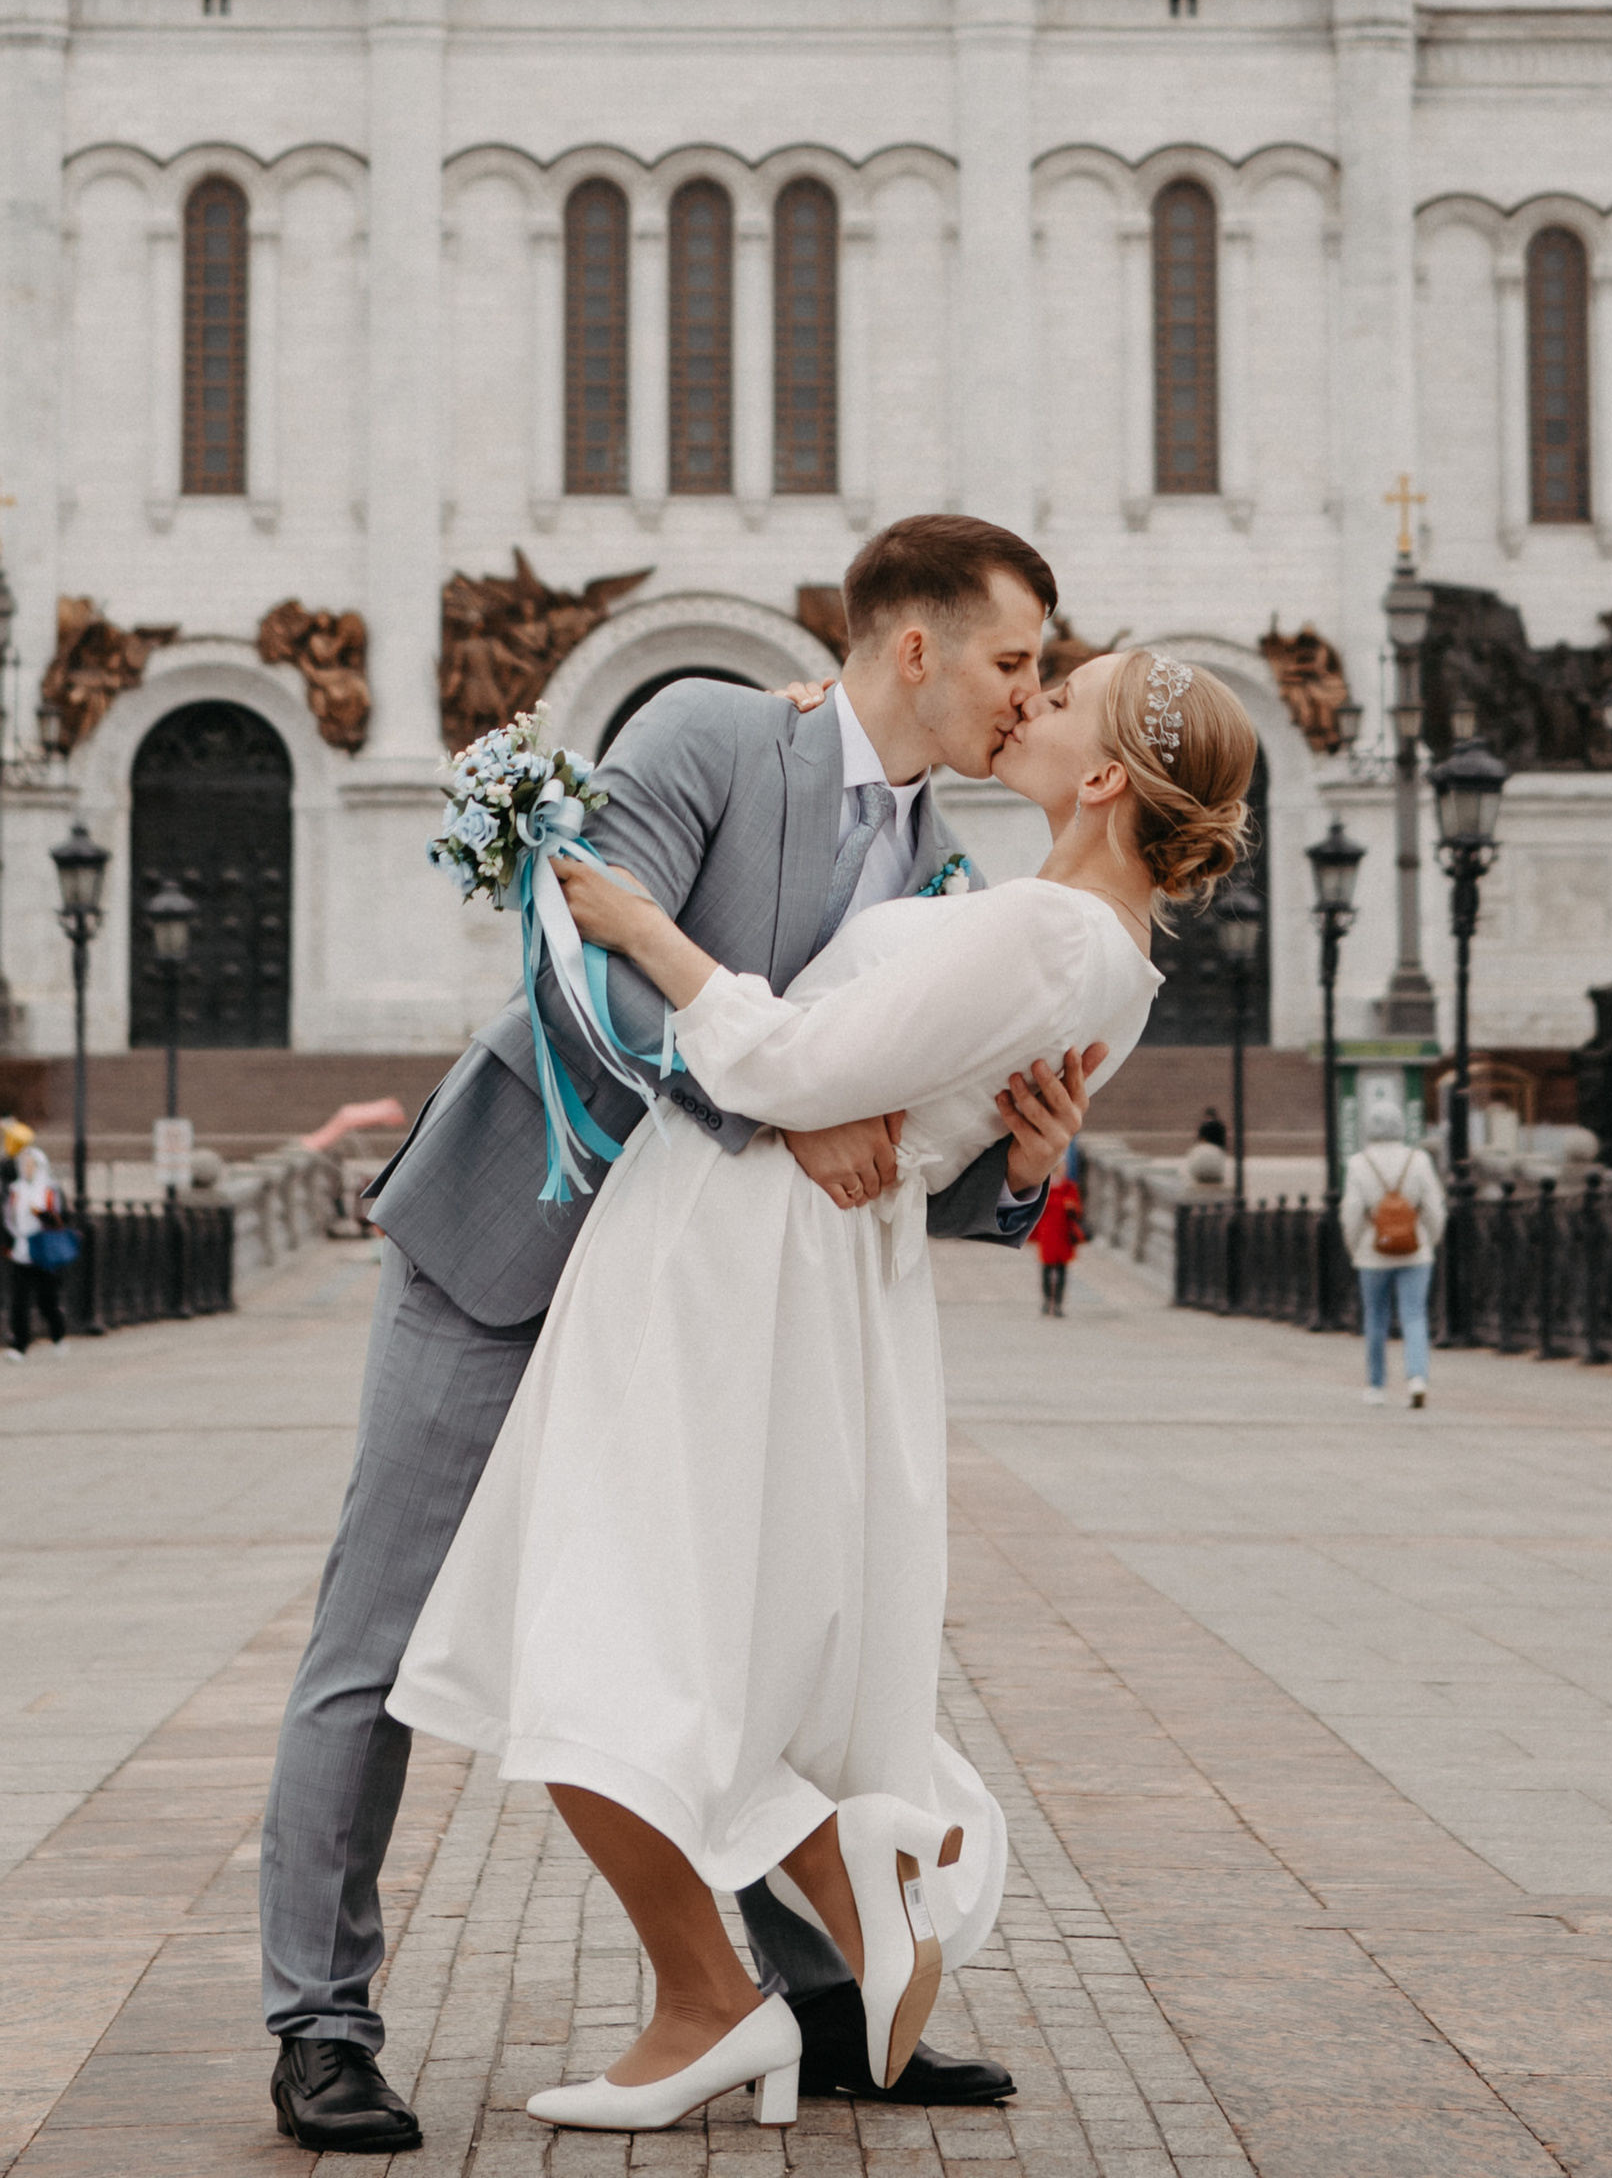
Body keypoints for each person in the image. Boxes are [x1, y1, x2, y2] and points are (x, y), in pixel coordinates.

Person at [260, 514, 1075, 2153]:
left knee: (750, 1642)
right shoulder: (711, 729)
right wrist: (777, 1107)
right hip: (520, 1250)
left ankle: (817, 2005)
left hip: (702, 1314)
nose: (1030, 700)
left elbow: (907, 1127)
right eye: (1015, 662)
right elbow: (583, 957)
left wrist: (1022, 1162)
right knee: (387, 1635)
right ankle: (320, 2021)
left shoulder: (942, 874)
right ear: (914, 648)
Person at [393, 643, 1255, 2134]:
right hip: (796, 1266)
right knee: (672, 1634)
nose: (1030, 701)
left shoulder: (1055, 933)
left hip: (740, 1253)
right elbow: (910, 1081)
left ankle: (787, 1941)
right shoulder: (1081, 940)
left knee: (596, 1629)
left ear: (1106, 775)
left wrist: (643, 928)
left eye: (1061, 693)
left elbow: (790, 1068)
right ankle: (792, 1932)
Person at [1340, 1106, 1445, 1408]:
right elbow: (1435, 1208)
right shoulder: (1419, 1160)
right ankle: (1417, 1378)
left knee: (1375, 1317)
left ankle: (1376, 1386)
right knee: (1414, 1315)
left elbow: (1352, 1213)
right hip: (1415, 1251)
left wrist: (1355, 1247)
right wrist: (1430, 1241)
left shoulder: (1358, 1163)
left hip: (1373, 1252)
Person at [0, 1120, 69, 1356]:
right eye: (24, 1164)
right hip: (22, 1250)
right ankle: (19, 1345)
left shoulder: (50, 1189)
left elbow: (61, 1218)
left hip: (44, 1250)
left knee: (46, 1300)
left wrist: (42, 1214)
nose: (27, 1168)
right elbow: (8, 1218)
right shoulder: (16, 1190)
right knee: (19, 1301)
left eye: (31, 1165)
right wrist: (8, 1243)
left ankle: (58, 1336)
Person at [1031, 1153, 1087, 1315]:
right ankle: (1047, 1300)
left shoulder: (1069, 1186)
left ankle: (1058, 1304)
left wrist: (1070, 1207)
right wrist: (1062, 1204)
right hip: (1048, 1232)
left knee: (1062, 1269)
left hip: (1063, 1233)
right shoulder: (1045, 1187)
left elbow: (1077, 1209)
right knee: (1047, 1268)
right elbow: (1038, 1208)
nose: (1063, 1171)